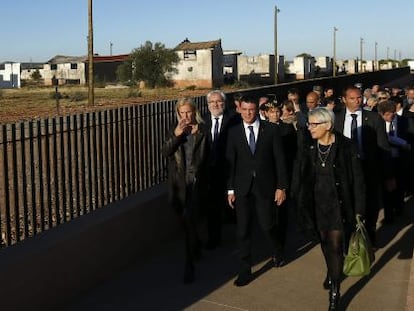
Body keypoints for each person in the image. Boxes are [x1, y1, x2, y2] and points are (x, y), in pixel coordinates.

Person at [291, 107, 365, 311]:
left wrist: (360, 210)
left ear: (328, 125)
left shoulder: (346, 147)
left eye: (314, 124)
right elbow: (299, 172)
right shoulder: (308, 146)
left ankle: (335, 290)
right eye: (309, 124)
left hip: (339, 205)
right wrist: (295, 198)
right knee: (325, 244)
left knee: (335, 244)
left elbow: (357, 180)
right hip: (316, 205)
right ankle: (333, 270)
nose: (310, 127)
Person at [226, 95, 288, 287]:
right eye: (244, 109)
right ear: (240, 109)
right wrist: (230, 190)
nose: (248, 113)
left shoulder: (271, 130)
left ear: (257, 110)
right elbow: (231, 163)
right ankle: (245, 270)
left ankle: (277, 250)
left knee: (267, 224)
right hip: (242, 187)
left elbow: (280, 160)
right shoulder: (234, 132)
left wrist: (281, 186)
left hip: (265, 185)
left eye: (251, 109)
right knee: (243, 230)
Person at [334, 86, 392, 248]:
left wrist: (388, 176)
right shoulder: (336, 119)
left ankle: (370, 234)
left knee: (370, 205)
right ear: (344, 100)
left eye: (359, 97)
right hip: (345, 172)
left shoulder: (374, 119)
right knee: (347, 206)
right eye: (352, 98)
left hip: (369, 170)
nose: (357, 101)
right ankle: (350, 241)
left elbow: (384, 147)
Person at [162, 97, 208, 284]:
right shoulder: (175, 130)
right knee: (185, 221)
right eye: (182, 113)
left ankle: (189, 266)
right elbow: (165, 152)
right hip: (180, 185)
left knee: (191, 221)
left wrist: (200, 134)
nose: (186, 116)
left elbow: (209, 156)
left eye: (189, 112)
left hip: (197, 183)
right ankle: (195, 245)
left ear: (194, 111)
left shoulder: (203, 130)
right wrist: (177, 135)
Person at [203, 90, 238, 249]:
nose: (215, 105)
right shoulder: (202, 121)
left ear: (225, 103)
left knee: (234, 206)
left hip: (231, 170)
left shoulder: (235, 120)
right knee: (211, 207)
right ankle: (214, 239)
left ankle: (241, 238)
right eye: (212, 102)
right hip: (210, 172)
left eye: (218, 102)